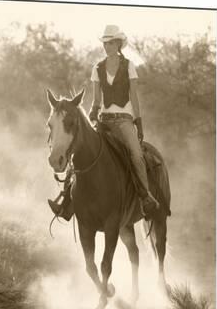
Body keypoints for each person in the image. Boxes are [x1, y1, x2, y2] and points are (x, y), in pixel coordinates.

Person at [48, 24, 159, 219]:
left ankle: (145, 197)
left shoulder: (129, 66)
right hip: (104, 120)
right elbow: (97, 100)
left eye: (110, 43)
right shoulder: (97, 68)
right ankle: (66, 201)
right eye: (105, 43)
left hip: (124, 121)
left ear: (118, 44)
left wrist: (138, 120)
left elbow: (133, 96)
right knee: (78, 150)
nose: (106, 46)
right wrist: (92, 113)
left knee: (136, 154)